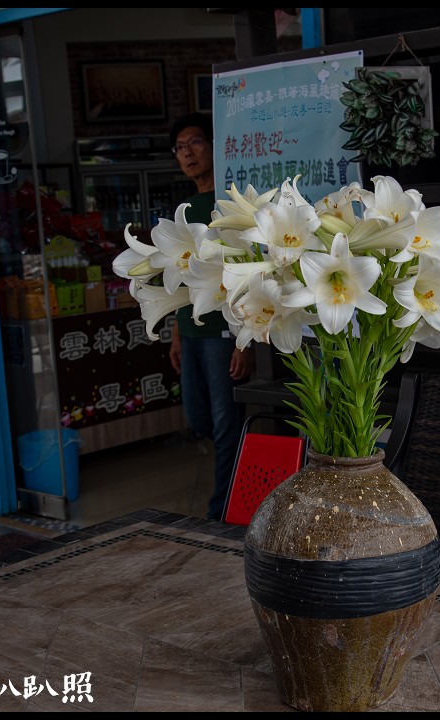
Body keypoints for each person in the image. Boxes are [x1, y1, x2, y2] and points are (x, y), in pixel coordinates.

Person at [167, 113, 255, 520]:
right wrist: (176, 334)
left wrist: (243, 338)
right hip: (191, 328)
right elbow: (180, 277)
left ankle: (222, 510)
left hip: (224, 331)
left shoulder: (226, 203)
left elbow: (246, 270)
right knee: (198, 418)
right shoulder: (183, 209)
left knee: (224, 425)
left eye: (195, 143)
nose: (187, 153)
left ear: (213, 146)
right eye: (180, 148)